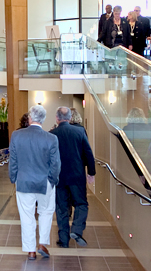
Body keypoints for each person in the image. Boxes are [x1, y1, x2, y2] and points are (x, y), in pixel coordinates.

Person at [9, 105, 60, 260]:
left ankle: (30, 250)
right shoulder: (51, 138)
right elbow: (56, 163)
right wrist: (53, 180)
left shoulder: (16, 136)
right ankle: (43, 243)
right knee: (46, 212)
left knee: (27, 216)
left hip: (23, 182)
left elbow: (13, 161)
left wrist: (13, 178)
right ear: (43, 120)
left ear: (30, 117)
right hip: (45, 182)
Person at [49, 107, 95, 248]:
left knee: (62, 208)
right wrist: (91, 172)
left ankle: (63, 240)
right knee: (81, 204)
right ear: (69, 118)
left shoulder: (52, 134)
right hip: (77, 176)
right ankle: (76, 230)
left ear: (57, 118)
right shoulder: (79, 131)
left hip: (60, 177)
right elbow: (88, 153)